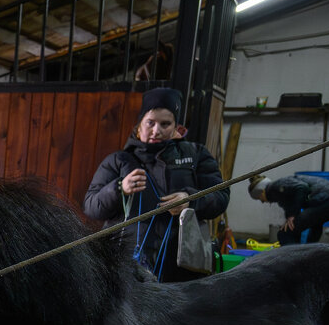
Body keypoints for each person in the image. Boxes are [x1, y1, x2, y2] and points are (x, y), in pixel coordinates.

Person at [83, 87, 229, 282]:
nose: (156, 130)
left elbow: (220, 196)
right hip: (127, 264)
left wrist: (190, 200)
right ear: (139, 125)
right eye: (150, 122)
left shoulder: (195, 155)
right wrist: (119, 188)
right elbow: (91, 206)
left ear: (176, 127)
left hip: (182, 266)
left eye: (165, 124)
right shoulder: (118, 160)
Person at [248, 173, 329, 244]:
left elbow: (302, 188)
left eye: (260, 198)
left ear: (262, 191)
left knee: (285, 233)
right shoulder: (279, 192)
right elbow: (290, 205)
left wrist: (292, 215)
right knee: (310, 226)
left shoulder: (275, 187)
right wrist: (290, 216)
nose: (263, 202)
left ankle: (293, 262)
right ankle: (309, 255)